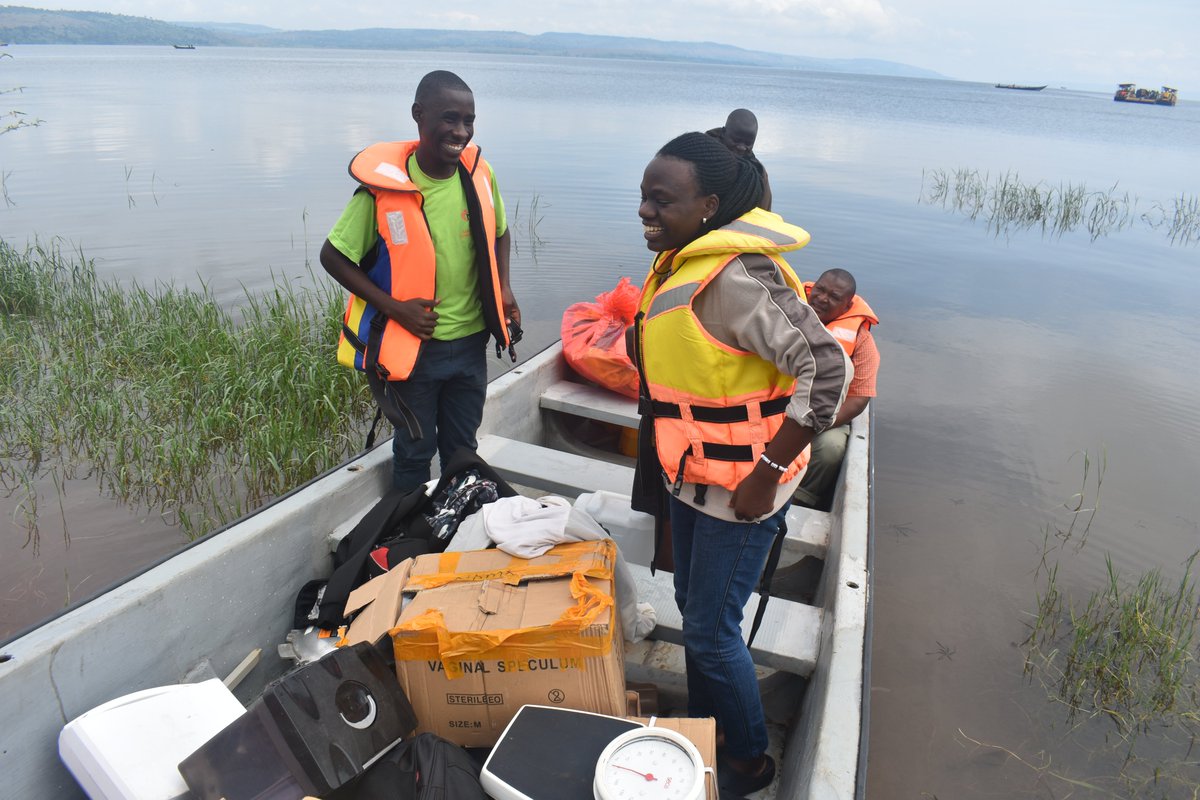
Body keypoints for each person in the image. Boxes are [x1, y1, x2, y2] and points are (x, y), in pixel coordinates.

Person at [632, 132, 850, 795]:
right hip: (693, 478)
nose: (643, 210)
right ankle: (707, 725)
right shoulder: (682, 262)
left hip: (741, 492)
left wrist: (765, 472)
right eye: (641, 195)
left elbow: (827, 367)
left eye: (660, 200)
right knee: (691, 609)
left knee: (711, 629)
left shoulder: (738, 277)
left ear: (709, 205)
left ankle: (752, 761)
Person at [320, 70, 520, 491]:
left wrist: (503, 287)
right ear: (418, 115)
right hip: (415, 352)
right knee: (414, 450)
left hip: (470, 344)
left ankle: (454, 527)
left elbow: (500, 230)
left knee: (463, 449)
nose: (461, 131)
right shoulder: (382, 193)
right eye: (450, 118)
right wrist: (395, 308)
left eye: (469, 121)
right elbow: (333, 256)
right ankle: (408, 537)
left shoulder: (480, 176)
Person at [791, 268, 879, 511]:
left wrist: (815, 425)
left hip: (826, 417)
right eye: (820, 290)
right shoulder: (787, 312)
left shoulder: (861, 341)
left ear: (848, 305)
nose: (821, 298)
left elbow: (859, 399)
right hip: (777, 405)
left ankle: (798, 501)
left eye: (833, 296)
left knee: (831, 450)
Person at [706, 108, 772, 210]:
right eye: (736, 140)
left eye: (748, 143)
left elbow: (764, 212)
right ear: (723, 133)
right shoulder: (702, 155)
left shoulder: (759, 172)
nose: (741, 148)